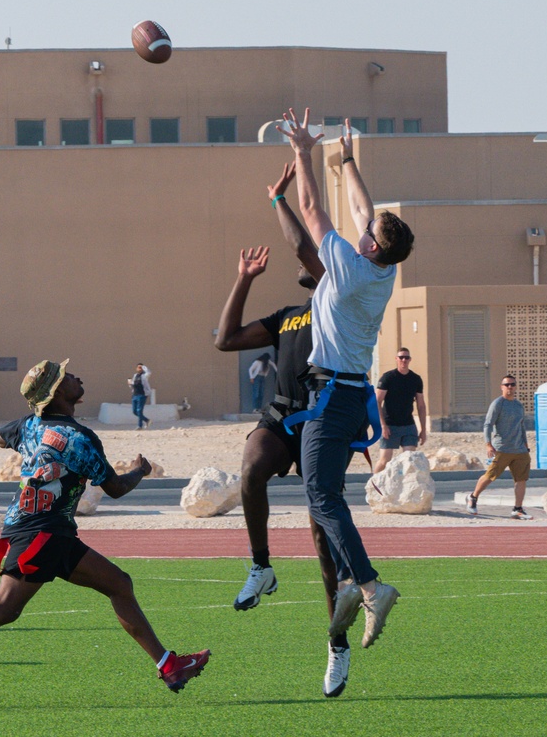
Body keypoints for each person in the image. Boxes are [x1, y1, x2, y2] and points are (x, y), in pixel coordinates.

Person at [0, 359, 210, 707]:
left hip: (37, 528)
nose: (76, 377)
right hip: (44, 533)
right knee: (7, 605)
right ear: (56, 394)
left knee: (115, 585)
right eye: (66, 377)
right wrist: (141, 471)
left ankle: (169, 665)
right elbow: (115, 488)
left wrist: (31, 443)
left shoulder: (28, 425)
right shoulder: (81, 438)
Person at [277, 108, 414, 658]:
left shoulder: (352, 266)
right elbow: (365, 208)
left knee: (318, 494)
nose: (362, 228)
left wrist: (303, 153)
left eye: (368, 233)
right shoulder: (383, 266)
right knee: (326, 495)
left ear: (372, 246)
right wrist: (349, 158)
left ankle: (368, 586)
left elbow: (311, 208)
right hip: (346, 393)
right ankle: (356, 586)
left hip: (332, 396)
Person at [214, 163, 354, 697]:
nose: (309, 265)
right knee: (250, 469)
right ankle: (261, 566)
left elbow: (302, 249)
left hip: (326, 417)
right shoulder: (289, 315)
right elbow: (225, 340)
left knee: (322, 539)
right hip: (282, 414)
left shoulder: (337, 305)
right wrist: (244, 279)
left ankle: (336, 646)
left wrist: (279, 200)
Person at [465, 374, 533, 519]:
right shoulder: (498, 404)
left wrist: (526, 446)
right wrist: (488, 444)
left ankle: (518, 509)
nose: (510, 387)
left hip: (519, 449)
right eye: (507, 385)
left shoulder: (518, 405)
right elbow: (488, 424)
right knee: (490, 476)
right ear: (501, 387)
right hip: (501, 448)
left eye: (512, 384)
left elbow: (521, 426)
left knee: (521, 479)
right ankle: (473, 497)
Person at [373, 348, 427, 473]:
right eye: (401, 357)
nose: (404, 360)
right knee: (384, 460)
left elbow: (421, 405)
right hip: (389, 424)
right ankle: (373, 486)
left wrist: (423, 429)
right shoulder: (388, 377)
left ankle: (405, 490)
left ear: (410, 360)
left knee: (409, 460)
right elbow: (377, 401)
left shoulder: (415, 379)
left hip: (408, 424)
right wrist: (383, 425)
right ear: (396, 359)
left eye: (406, 358)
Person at [128, 363, 151, 429]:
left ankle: (139, 426)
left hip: (142, 395)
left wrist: (144, 367)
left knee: (139, 411)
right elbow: (133, 384)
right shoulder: (135, 375)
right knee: (134, 411)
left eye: (141, 367)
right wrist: (130, 383)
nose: (139, 368)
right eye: (138, 367)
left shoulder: (144, 375)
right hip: (135, 395)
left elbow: (149, 372)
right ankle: (147, 420)